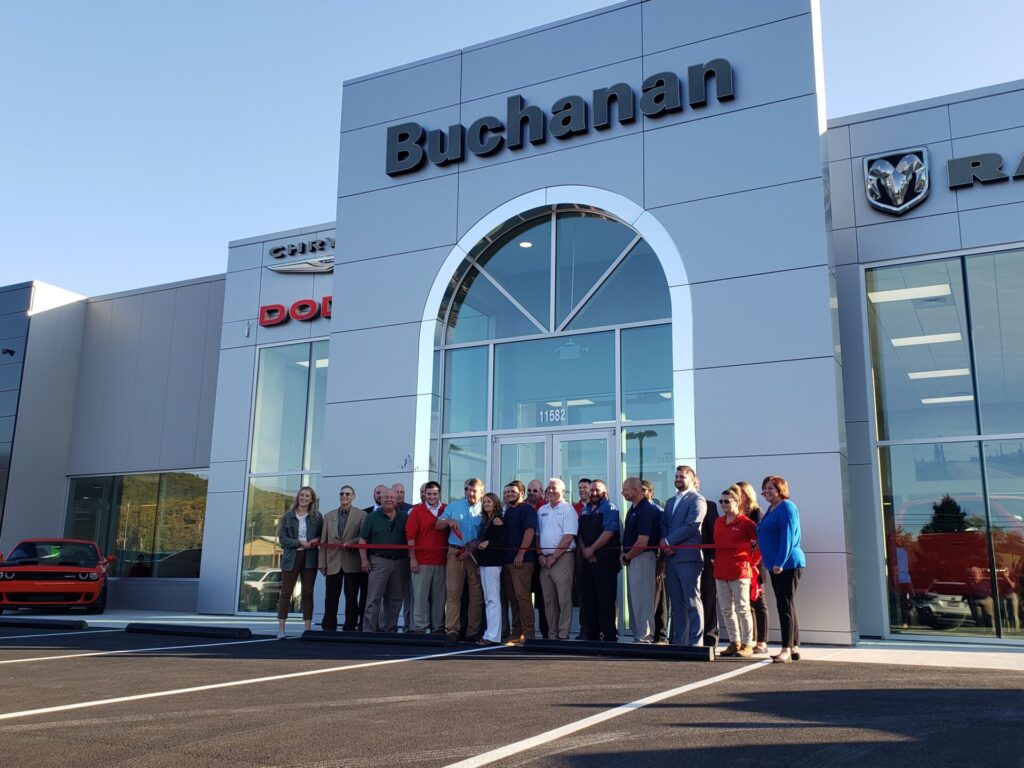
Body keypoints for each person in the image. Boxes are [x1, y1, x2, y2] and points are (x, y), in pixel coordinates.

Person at [758, 475, 806, 663]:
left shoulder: (787, 507)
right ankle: (793, 647)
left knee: (784, 605)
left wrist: (780, 562)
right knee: (786, 604)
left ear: (781, 490)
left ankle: (785, 649)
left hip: (787, 563)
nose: (766, 491)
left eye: (771, 488)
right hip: (774, 564)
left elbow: (788, 536)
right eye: (765, 488)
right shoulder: (771, 509)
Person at [661, 465, 706, 646]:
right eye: (677, 476)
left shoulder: (697, 499)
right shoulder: (671, 501)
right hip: (671, 558)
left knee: (692, 601)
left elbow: (692, 525)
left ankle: (696, 642)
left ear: (693, 480)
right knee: (677, 604)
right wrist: (665, 544)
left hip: (688, 558)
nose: (678, 479)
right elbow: (664, 523)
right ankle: (680, 642)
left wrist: (669, 541)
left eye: (682, 476)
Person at [437, 477, 484, 644]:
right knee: (453, 593)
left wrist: (474, 546)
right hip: (455, 553)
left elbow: (489, 533)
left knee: (476, 595)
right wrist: (449, 521)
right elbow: (438, 525)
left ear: (481, 492)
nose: (470, 493)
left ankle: (473, 631)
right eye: (467, 490)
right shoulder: (453, 506)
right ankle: (452, 630)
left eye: (474, 491)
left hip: (475, 556)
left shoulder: (486, 508)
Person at [358, 488, 410, 632]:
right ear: (380, 499)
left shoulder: (404, 517)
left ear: (397, 500)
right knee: (374, 597)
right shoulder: (372, 517)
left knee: (396, 598)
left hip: (400, 562)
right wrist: (364, 560)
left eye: (392, 497)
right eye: (386, 497)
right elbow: (362, 540)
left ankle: (390, 629)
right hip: (379, 561)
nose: (389, 500)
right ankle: (368, 630)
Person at [714, 485, 757, 657]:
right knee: (726, 609)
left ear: (737, 502)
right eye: (721, 501)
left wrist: (751, 562)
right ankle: (734, 642)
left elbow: (759, 544)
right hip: (721, 570)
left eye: (726, 501)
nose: (723, 504)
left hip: (739, 572)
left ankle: (747, 643)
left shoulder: (746, 523)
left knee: (742, 608)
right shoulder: (718, 522)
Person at [318, 485, 367, 631]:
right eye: (342, 493)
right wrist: (322, 563)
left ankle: (350, 625)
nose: (344, 496)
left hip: (352, 560)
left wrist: (352, 542)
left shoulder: (362, 515)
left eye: (347, 494)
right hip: (332, 561)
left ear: (353, 496)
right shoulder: (329, 516)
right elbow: (323, 541)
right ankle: (328, 625)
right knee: (331, 596)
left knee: (351, 597)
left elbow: (363, 537)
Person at [276, 486, 323, 638]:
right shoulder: (288, 516)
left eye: (307, 496)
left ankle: (307, 629)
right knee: (285, 593)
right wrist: (299, 543)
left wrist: (316, 540)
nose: (304, 498)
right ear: (298, 497)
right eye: (302, 495)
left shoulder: (317, 517)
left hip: (310, 558)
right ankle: (281, 629)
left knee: (307, 593)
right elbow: (282, 539)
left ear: (312, 499)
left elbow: (322, 535)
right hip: (291, 557)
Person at [578, 479, 621, 641]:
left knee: (606, 600)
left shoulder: (610, 508)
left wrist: (592, 550)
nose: (594, 493)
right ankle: (592, 635)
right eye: (592, 490)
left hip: (605, 562)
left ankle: (609, 635)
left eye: (597, 490)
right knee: (588, 600)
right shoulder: (585, 510)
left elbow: (609, 532)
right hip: (587, 562)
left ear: (605, 492)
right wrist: (585, 551)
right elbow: (579, 534)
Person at [536, 478, 578, 639]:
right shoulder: (542, 510)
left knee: (564, 599)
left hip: (562, 559)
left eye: (554, 488)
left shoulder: (568, 510)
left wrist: (554, 556)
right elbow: (537, 535)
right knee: (548, 600)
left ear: (563, 491)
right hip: (544, 561)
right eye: (549, 488)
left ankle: (563, 634)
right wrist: (540, 554)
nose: (551, 491)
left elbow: (568, 536)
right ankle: (552, 634)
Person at [405, 480, 447, 633]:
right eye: (429, 494)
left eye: (434, 494)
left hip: (442, 561)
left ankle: (438, 627)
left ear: (439, 494)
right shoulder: (417, 511)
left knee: (439, 597)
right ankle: (420, 627)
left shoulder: (446, 509)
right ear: (424, 494)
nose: (432, 497)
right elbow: (410, 536)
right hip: (422, 561)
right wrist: (413, 559)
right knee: (420, 597)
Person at [621, 477, 658, 643]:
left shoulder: (645, 510)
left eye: (626, 489)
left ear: (636, 490)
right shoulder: (633, 509)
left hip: (642, 557)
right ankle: (638, 635)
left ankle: (645, 637)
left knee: (643, 598)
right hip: (633, 558)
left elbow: (643, 541)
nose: (622, 492)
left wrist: (627, 556)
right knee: (635, 598)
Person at [502, 480, 537, 644]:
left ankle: (529, 634)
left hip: (522, 561)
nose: (509, 494)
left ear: (522, 493)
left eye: (512, 492)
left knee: (523, 597)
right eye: (507, 492)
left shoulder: (527, 510)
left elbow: (530, 531)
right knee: (512, 598)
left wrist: (521, 553)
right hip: (508, 561)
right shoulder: (508, 511)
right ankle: (517, 633)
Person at [736, 480, 769, 654]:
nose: (738, 495)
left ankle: (762, 642)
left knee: (758, 602)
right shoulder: (735, 513)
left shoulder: (756, 512)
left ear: (747, 494)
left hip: (755, 564)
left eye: (740, 492)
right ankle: (750, 640)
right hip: (740, 564)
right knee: (745, 603)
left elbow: (760, 540)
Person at [474, 492, 508, 645]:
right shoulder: (485, 521)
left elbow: (502, 540)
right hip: (484, 563)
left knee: (493, 599)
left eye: (489, 501)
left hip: (493, 563)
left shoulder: (497, 520)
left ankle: (493, 635)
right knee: (488, 599)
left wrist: (489, 542)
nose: (486, 504)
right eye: (484, 502)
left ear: (495, 504)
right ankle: (490, 633)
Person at [696, 475, 721, 648]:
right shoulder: (675, 504)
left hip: (707, 561)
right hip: (685, 561)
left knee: (709, 598)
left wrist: (712, 557)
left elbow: (714, 534)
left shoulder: (709, 505)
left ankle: (710, 637)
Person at [645, 479, 669, 644]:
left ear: (651, 492)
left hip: (656, 558)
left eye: (644, 490)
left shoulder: (657, 511)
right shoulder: (637, 509)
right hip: (644, 559)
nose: (641, 492)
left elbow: (662, 537)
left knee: (658, 598)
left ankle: (660, 635)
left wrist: (661, 562)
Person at [526, 478, 549, 640]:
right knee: (524, 596)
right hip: (525, 558)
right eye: (529, 490)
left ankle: (546, 632)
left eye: (535, 491)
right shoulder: (522, 507)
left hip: (542, 558)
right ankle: (527, 631)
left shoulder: (546, 508)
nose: (531, 493)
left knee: (543, 597)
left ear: (541, 492)